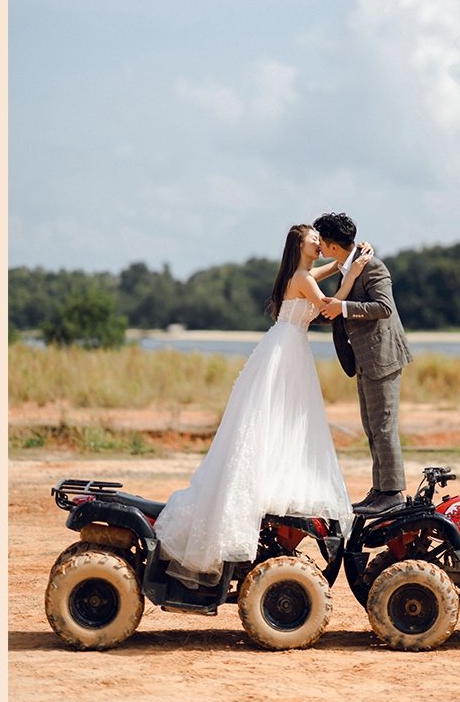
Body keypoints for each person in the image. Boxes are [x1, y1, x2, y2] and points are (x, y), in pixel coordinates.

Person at [152, 224, 364, 582]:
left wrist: (345, 261)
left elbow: (321, 272)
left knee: (276, 419)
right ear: (300, 244)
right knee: (282, 418)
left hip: (283, 346)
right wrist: (353, 272)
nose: (319, 243)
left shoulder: (297, 275)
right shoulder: (301, 278)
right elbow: (328, 307)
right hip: (288, 350)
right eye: (314, 239)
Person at [311, 212, 412, 516]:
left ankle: (392, 493)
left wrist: (342, 307)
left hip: (383, 356)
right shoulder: (349, 266)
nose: (318, 247)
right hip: (366, 358)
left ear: (331, 245)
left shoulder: (373, 266)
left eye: (321, 242)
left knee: (383, 426)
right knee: (372, 427)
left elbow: (383, 307)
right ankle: (380, 489)